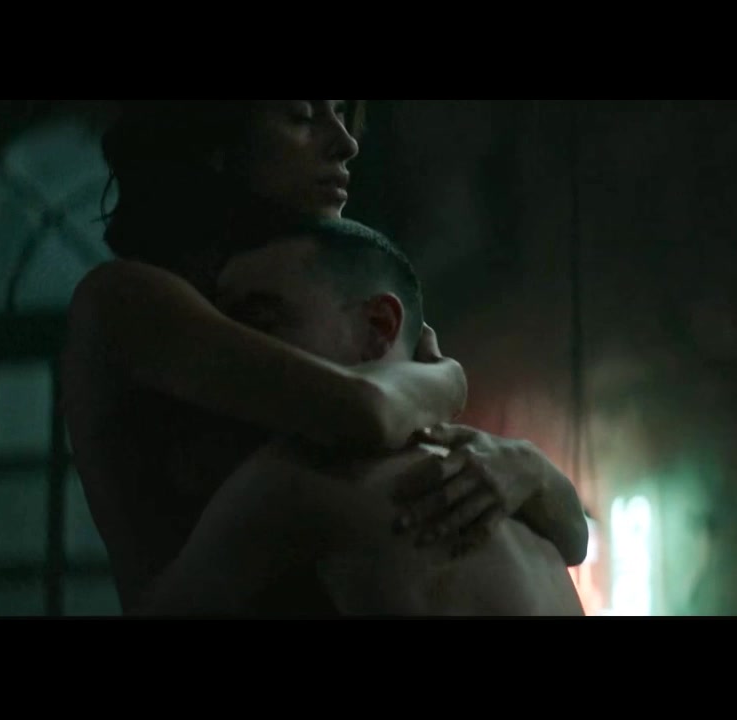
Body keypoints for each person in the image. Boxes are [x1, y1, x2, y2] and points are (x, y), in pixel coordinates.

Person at [61, 100, 588, 613]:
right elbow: (363, 411)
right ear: (212, 137)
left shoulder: (299, 301)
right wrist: (447, 379)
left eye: (340, 113)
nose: (346, 143)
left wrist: (527, 468)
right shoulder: (124, 299)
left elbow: (572, 535)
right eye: (301, 117)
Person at [141, 219, 585, 615]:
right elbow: (577, 542)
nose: (239, 355)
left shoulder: (295, 480)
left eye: (261, 322)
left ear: (378, 326)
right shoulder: (506, 485)